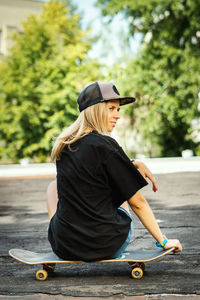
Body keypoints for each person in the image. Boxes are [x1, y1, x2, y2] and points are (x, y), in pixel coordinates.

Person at [47, 82, 182, 261]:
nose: (117, 115)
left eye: (118, 110)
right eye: (111, 108)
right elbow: (138, 203)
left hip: (64, 247)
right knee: (120, 188)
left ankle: (61, 233)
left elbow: (91, 167)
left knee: (53, 186)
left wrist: (132, 164)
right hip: (106, 245)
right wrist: (163, 241)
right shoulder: (106, 146)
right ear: (95, 110)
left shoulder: (64, 146)